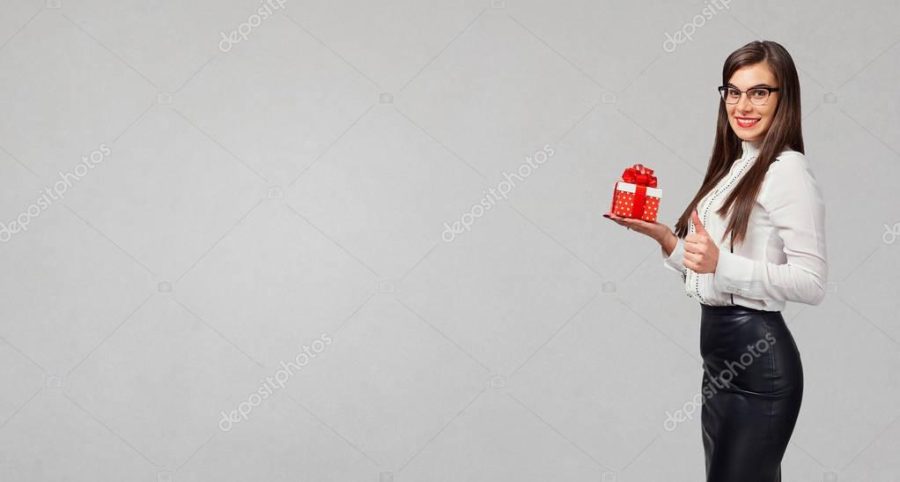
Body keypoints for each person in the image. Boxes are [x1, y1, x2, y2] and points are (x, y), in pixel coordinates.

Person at [604, 40, 827, 481]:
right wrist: (668, 239)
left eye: (760, 92)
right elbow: (709, 271)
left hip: (759, 360)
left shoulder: (787, 171)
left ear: (785, 99)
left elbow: (812, 281)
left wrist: (722, 264)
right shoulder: (735, 166)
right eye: (734, 91)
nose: (743, 105)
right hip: (719, 358)